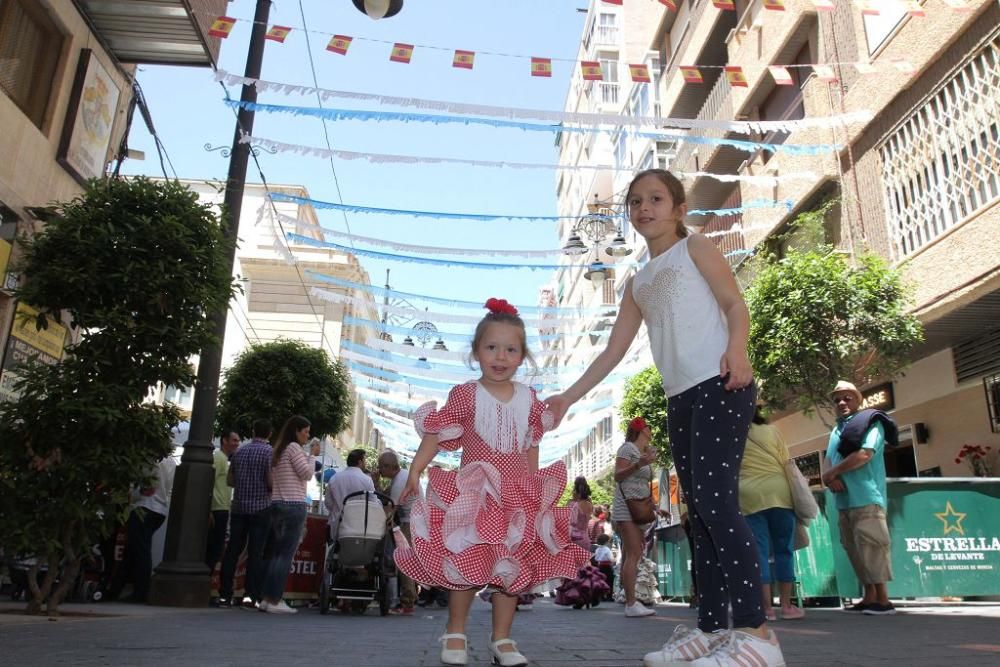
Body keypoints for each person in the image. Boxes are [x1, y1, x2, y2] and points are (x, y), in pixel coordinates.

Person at [545, 169, 784, 667]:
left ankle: (759, 636)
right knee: (700, 516)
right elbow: (612, 351)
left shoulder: (695, 249)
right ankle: (714, 630)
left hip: (722, 383)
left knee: (718, 508)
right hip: (680, 398)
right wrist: (567, 397)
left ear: (678, 208)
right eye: (634, 202)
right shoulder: (636, 283)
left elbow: (734, 304)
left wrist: (737, 351)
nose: (643, 208)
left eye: (655, 199)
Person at [396, 298, 591, 667]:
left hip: (516, 498)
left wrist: (536, 490)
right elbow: (437, 435)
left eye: (510, 349)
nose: (500, 356)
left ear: (522, 356)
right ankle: (455, 630)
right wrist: (416, 470)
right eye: (491, 347)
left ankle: (502, 639)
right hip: (475, 496)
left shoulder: (530, 400)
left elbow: (531, 443)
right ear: (476, 352)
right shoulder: (465, 394)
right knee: (467, 561)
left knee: (510, 569)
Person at [822, 380, 896, 616]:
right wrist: (828, 476)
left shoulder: (872, 424)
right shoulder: (836, 430)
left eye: (847, 398)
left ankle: (883, 600)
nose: (841, 402)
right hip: (844, 500)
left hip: (866, 496)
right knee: (854, 548)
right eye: (837, 399)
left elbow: (864, 454)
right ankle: (869, 595)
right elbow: (829, 457)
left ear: (858, 399)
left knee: (872, 545)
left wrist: (833, 472)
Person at [740, 405, 803, 621]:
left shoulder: (733, 431)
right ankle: (786, 606)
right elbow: (786, 460)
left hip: (749, 495)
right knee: (784, 549)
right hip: (780, 492)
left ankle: (766, 609)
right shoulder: (772, 430)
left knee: (759, 552)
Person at [259, 415, 313, 614]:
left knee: (275, 554)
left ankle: (266, 598)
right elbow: (306, 473)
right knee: (284, 555)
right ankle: (275, 599)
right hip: (293, 504)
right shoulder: (294, 448)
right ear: (296, 431)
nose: (307, 435)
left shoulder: (279, 450)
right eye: (305, 431)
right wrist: (313, 455)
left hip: (277, 503)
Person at [218, 419, 273, 609]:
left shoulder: (240, 451)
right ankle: (250, 596)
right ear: (270, 433)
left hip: (239, 507)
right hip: (261, 507)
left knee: (233, 550)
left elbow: (230, 480)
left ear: (253, 431)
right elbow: (271, 482)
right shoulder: (269, 452)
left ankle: (225, 594)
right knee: (255, 553)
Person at [612, 417, 658, 618]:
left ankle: (631, 600)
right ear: (641, 429)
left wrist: (654, 505)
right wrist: (639, 464)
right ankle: (631, 603)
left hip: (639, 504)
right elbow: (618, 475)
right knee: (632, 554)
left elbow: (642, 482)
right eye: (649, 426)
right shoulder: (627, 449)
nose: (651, 429)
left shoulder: (643, 451)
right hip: (627, 506)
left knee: (635, 553)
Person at [121, 454, 176, 603]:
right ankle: (133, 588)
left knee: (139, 550)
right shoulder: (170, 461)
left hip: (145, 506)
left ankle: (140, 591)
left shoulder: (149, 459)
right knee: (141, 549)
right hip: (159, 508)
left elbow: (146, 488)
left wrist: (133, 494)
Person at [377, 450, 418, 616]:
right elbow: (384, 495)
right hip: (413, 521)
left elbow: (390, 509)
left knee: (404, 562)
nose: (379, 470)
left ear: (389, 466)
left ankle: (407, 601)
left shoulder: (400, 481)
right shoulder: (400, 477)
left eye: (381, 467)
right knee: (407, 561)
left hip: (410, 522)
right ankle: (409, 598)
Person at [205, 430, 240, 573]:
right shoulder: (219, 458)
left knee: (216, 549)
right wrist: (208, 509)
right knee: (214, 549)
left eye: (238, 441)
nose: (237, 444)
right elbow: (208, 481)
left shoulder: (224, 458)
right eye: (234, 440)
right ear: (224, 441)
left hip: (222, 508)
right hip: (217, 509)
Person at [325, 448, 376, 538]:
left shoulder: (335, 478)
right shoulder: (367, 480)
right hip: (358, 526)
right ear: (360, 461)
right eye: (365, 460)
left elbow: (328, 502)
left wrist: (338, 509)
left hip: (337, 525)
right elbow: (373, 503)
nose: (365, 463)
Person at [568, 476, 594, 552]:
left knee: (573, 563)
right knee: (584, 562)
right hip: (585, 539)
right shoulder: (589, 504)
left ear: (576, 491)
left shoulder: (572, 504)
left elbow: (569, 521)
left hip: (573, 539)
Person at [592, 533, 615, 598]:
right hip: (607, 566)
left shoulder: (597, 549)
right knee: (610, 581)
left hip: (600, 566)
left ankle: (602, 596)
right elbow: (611, 559)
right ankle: (609, 596)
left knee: (601, 580)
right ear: (606, 541)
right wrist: (614, 560)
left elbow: (596, 558)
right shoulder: (607, 549)